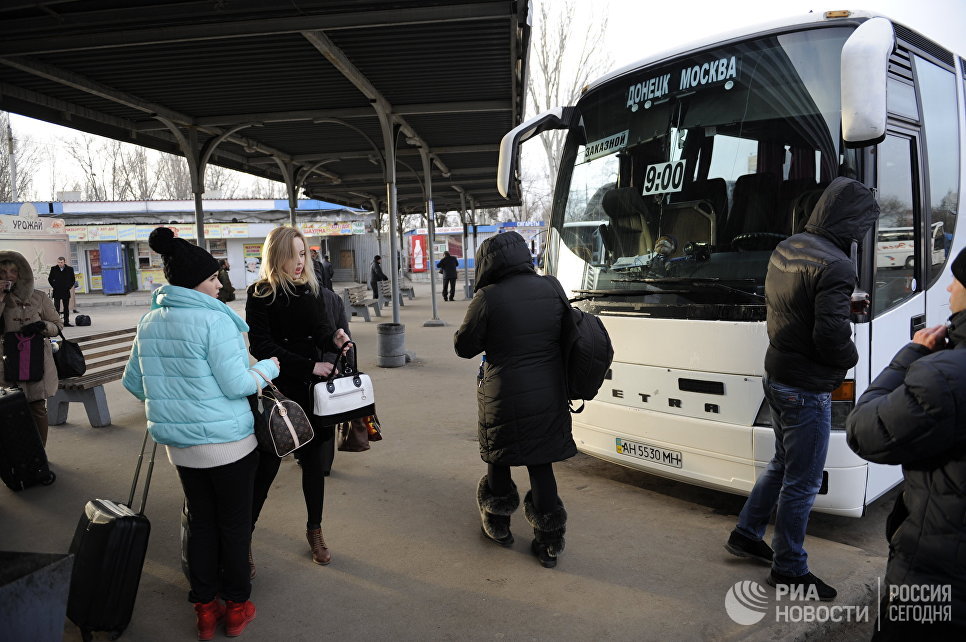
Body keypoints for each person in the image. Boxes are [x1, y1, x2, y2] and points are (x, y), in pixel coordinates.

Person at [724, 177, 879, 601]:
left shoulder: (788, 246)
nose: (863, 232)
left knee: (781, 464)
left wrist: (841, 304)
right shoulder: (839, 265)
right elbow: (830, 337)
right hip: (805, 387)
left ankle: (745, 534)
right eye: (864, 223)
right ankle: (789, 566)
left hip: (776, 375)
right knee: (804, 482)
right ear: (851, 220)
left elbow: (793, 300)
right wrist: (850, 358)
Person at [122, 227, 280, 640]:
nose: (219, 283)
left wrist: (176, 395)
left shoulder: (150, 320)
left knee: (202, 525)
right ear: (197, 281)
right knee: (234, 526)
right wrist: (270, 368)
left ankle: (206, 611)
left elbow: (135, 384)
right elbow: (238, 385)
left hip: (182, 449)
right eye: (213, 277)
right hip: (229, 445)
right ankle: (237, 607)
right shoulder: (215, 322)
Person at [845, 248, 966, 638]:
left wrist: (909, 357)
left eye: (957, 279)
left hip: (938, 582)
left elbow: (863, 430)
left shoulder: (944, 376)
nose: (949, 287)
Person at [454, 231, 574, 569]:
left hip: (503, 394)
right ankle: (549, 543)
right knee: (541, 463)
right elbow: (569, 334)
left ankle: (499, 526)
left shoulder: (488, 297)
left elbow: (464, 347)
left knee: (500, 458)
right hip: (548, 392)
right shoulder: (552, 287)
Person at [246, 226, 350, 570]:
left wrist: (334, 336)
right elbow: (260, 345)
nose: (299, 261)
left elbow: (320, 329)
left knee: (314, 465)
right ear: (277, 256)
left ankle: (315, 530)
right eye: (293, 254)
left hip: (311, 391)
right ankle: (243, 537)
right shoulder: (260, 293)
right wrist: (309, 365)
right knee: (266, 469)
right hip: (279, 391)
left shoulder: (311, 290)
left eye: (303, 253)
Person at [0, 251, 63, 447]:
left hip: (36, 360)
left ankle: (40, 456)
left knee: (37, 408)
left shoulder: (39, 297)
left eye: (13, 271)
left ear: (21, 274)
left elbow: (57, 325)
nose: (8, 276)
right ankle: (20, 458)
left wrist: (42, 326)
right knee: (11, 410)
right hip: (8, 361)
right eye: (2, 271)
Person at [47, 256, 75, 327]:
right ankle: (57, 322)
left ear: (64, 262)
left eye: (61, 262)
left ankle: (66, 322)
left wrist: (69, 287)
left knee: (66, 307)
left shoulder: (70, 269)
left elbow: (73, 280)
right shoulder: (54, 269)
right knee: (57, 308)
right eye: (58, 262)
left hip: (66, 290)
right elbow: (50, 279)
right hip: (57, 291)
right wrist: (54, 286)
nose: (60, 264)